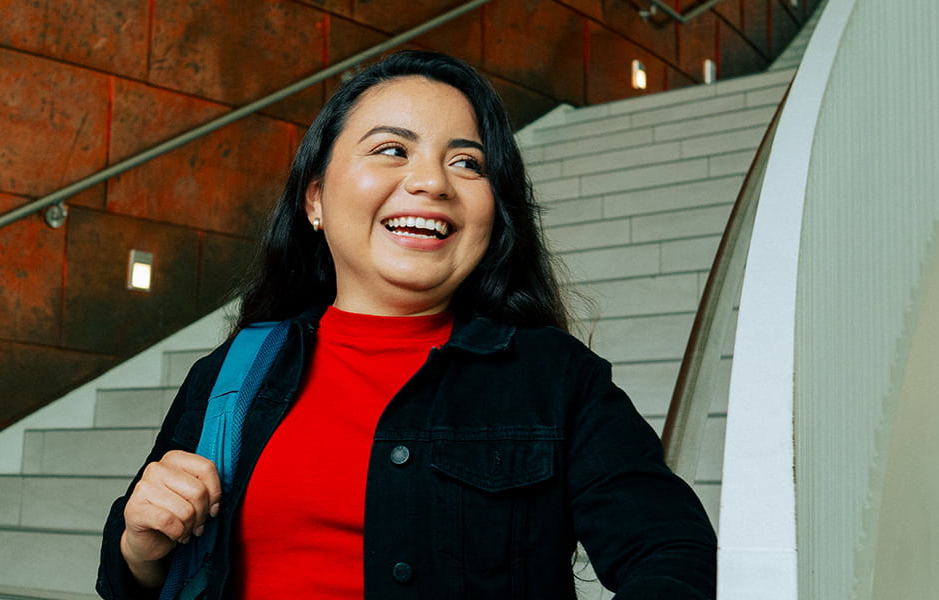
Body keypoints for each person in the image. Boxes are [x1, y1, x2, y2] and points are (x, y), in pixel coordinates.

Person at [96, 50, 716, 599]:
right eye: (392, 149)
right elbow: (133, 576)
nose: (431, 182)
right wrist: (140, 547)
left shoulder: (559, 378)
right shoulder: (232, 376)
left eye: (468, 163)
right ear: (314, 199)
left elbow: (673, 553)